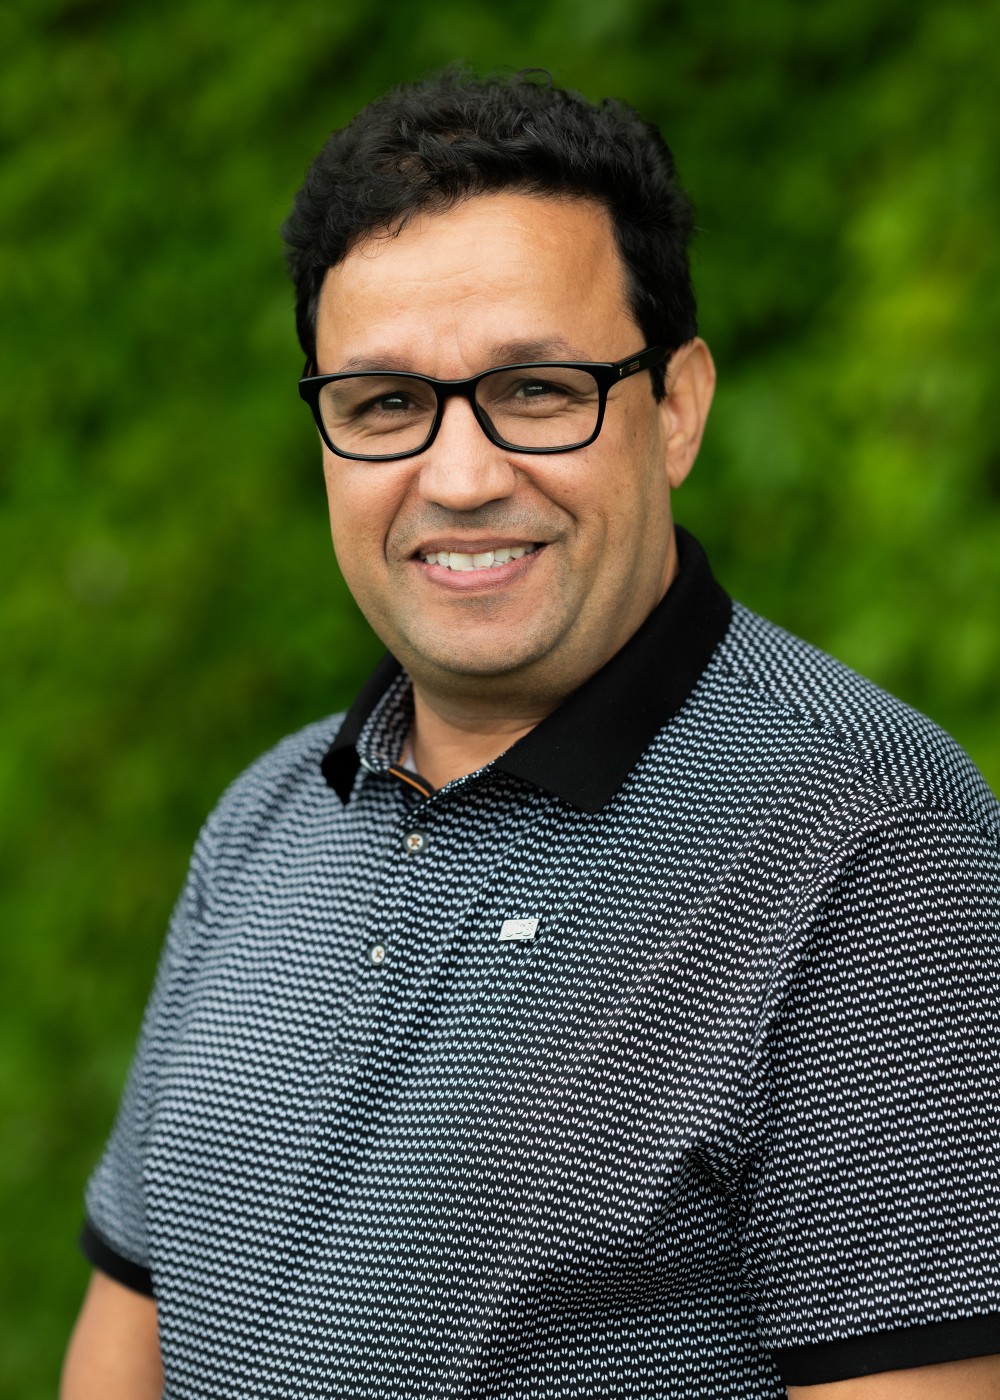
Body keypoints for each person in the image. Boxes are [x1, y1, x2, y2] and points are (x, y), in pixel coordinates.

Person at [62, 69, 1000, 1400]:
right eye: (386, 404)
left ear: (676, 408)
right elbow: (127, 1348)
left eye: (540, 389)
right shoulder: (266, 817)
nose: (458, 477)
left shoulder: (873, 853)